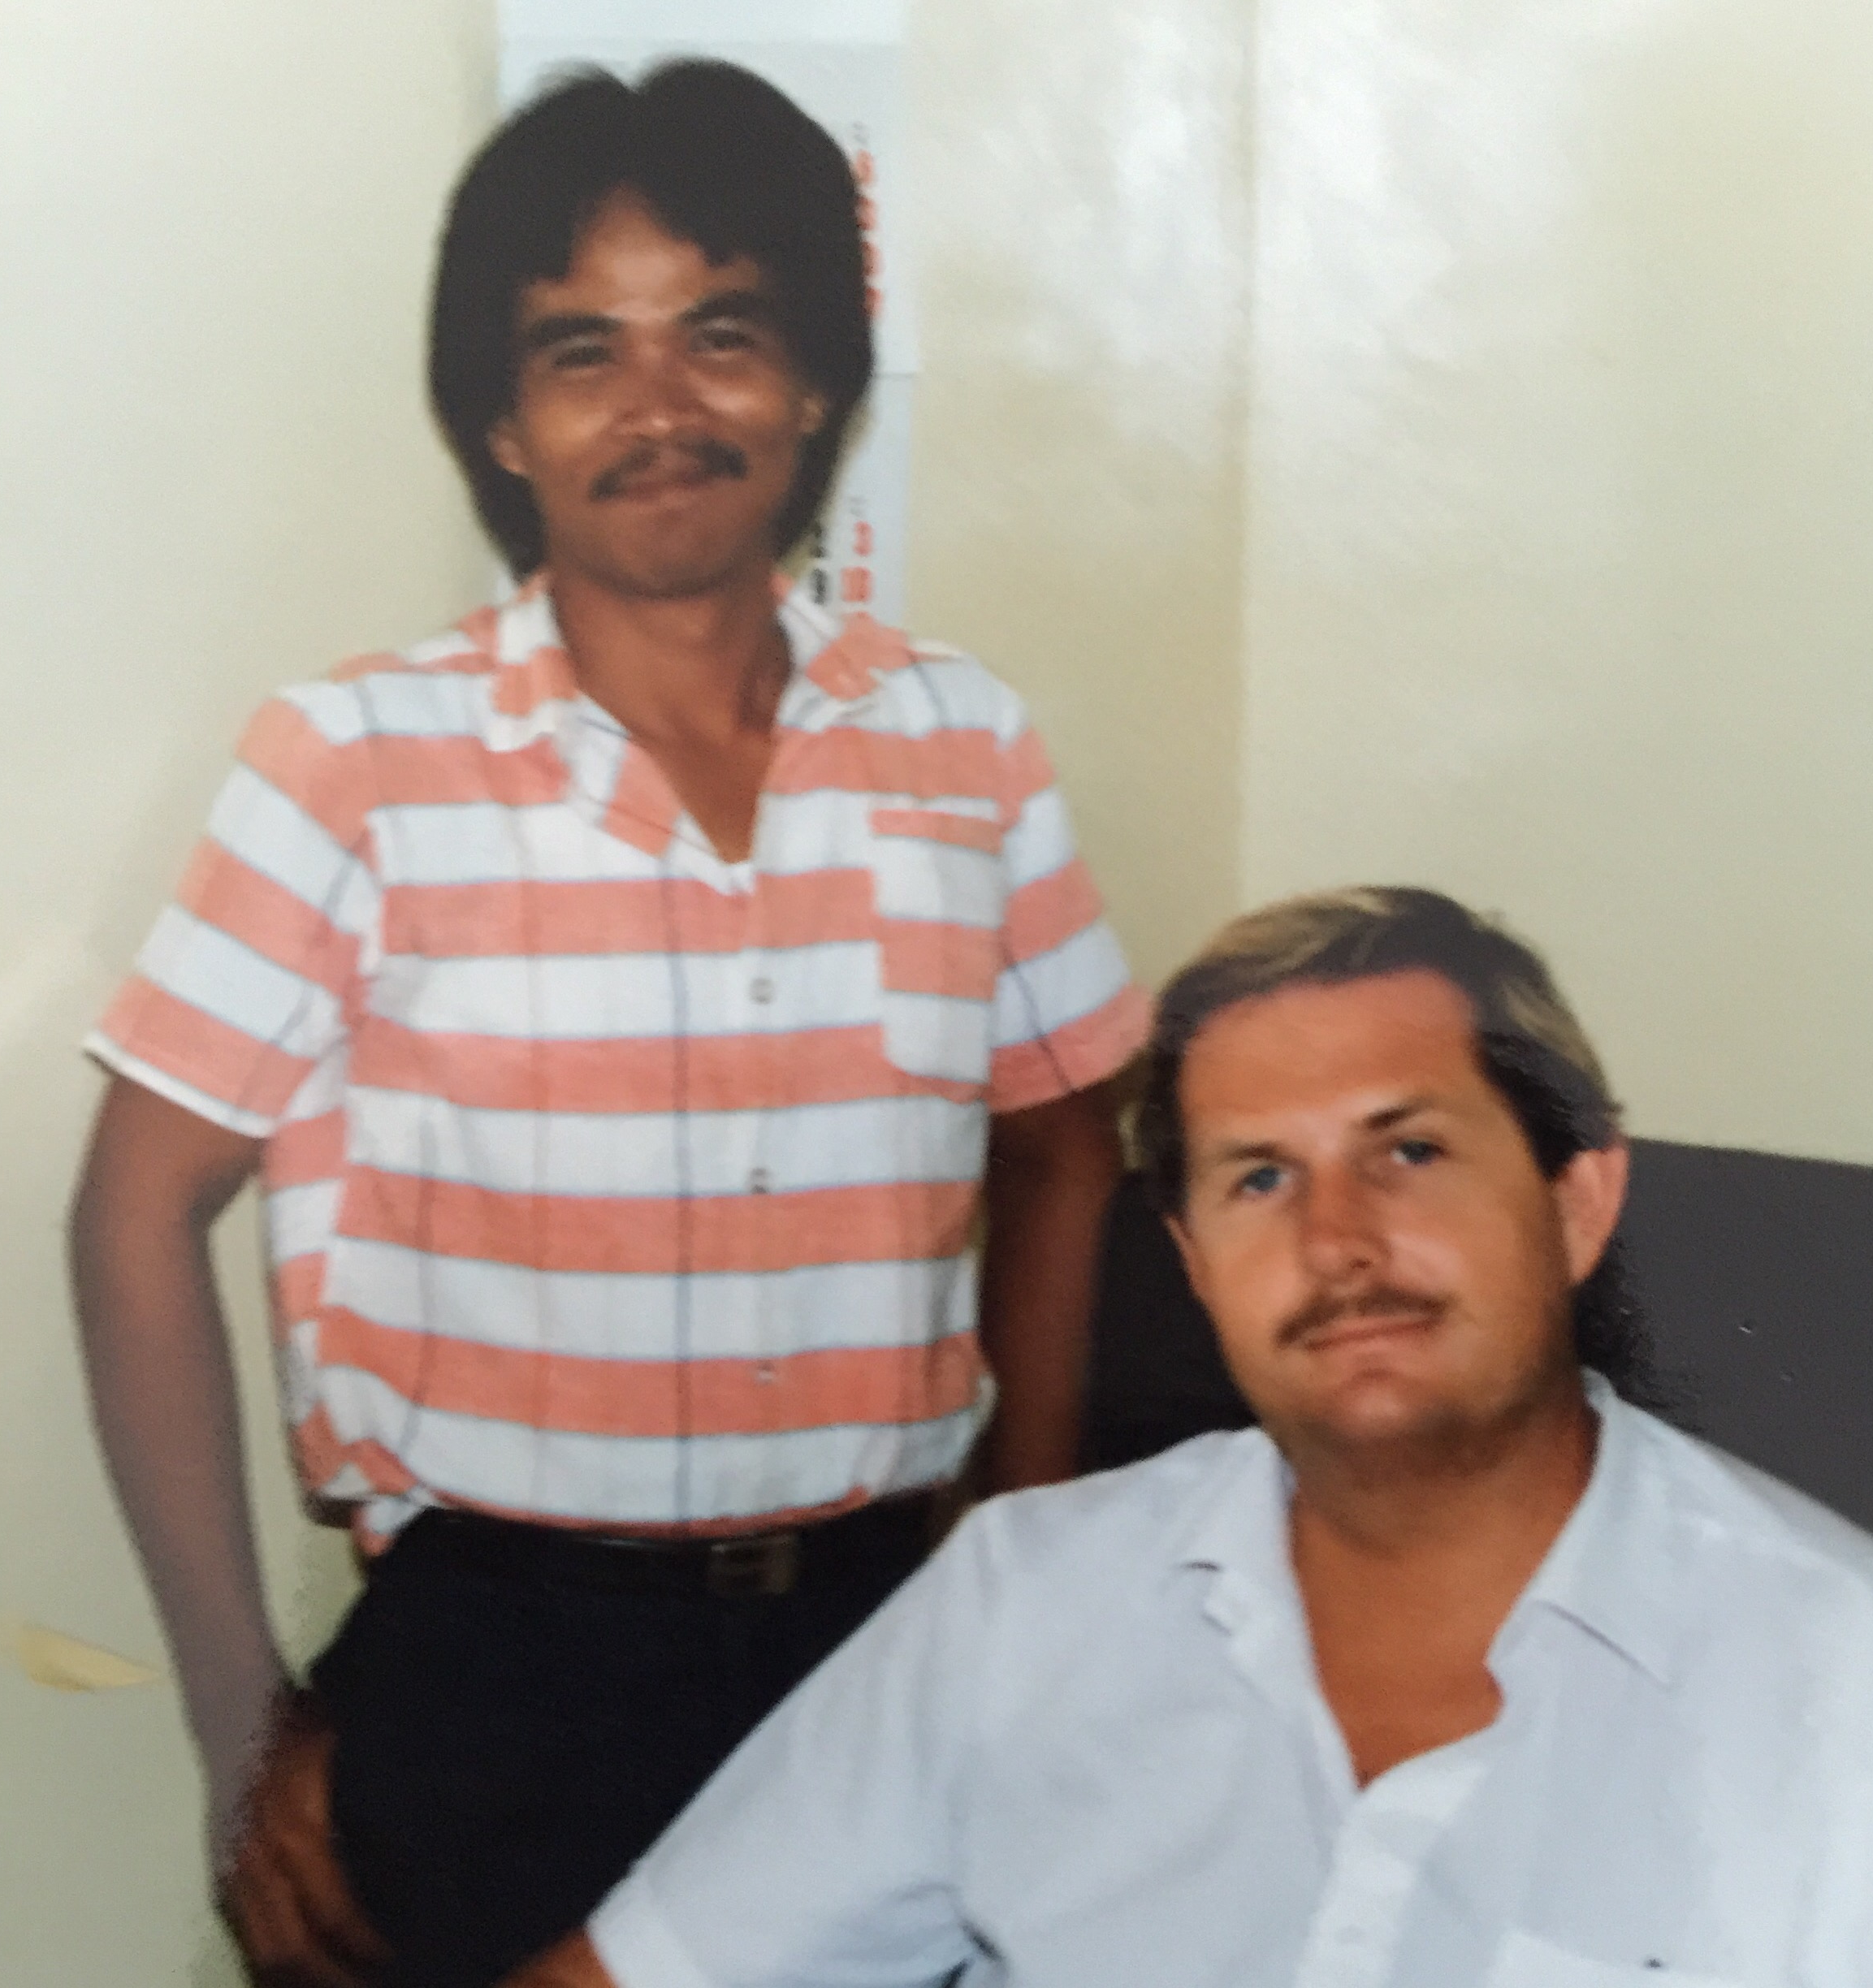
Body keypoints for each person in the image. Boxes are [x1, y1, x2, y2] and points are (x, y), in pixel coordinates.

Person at [67, 60, 1144, 1988]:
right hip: (493, 1688)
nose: (660, 408)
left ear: (812, 384)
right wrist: (237, 1731)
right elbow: (134, 1214)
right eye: (582, 353)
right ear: (504, 425)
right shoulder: (355, 762)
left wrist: (1024, 1560)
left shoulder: (967, 747)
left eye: (722, 333)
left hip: (876, 1656)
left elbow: (1067, 1139)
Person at [504, 886, 1873, 1988]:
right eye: (1260, 1179)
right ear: (1196, 1263)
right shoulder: (1022, 1604)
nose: (1339, 1241)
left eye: (1409, 1150)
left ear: (1577, 1201)